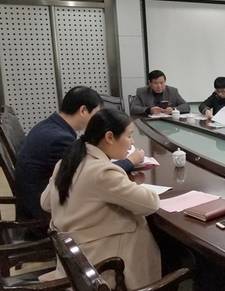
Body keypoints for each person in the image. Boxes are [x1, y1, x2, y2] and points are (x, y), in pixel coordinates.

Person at [39, 109, 162, 291]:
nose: (132, 142)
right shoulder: (103, 172)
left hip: (72, 255)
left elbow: (46, 202)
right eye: (129, 135)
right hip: (96, 260)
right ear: (109, 137)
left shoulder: (68, 160)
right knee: (156, 240)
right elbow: (151, 203)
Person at [15, 86, 144, 221]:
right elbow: (91, 173)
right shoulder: (60, 139)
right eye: (96, 114)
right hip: (42, 212)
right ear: (83, 110)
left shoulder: (49, 126)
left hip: (35, 200)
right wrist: (130, 161)